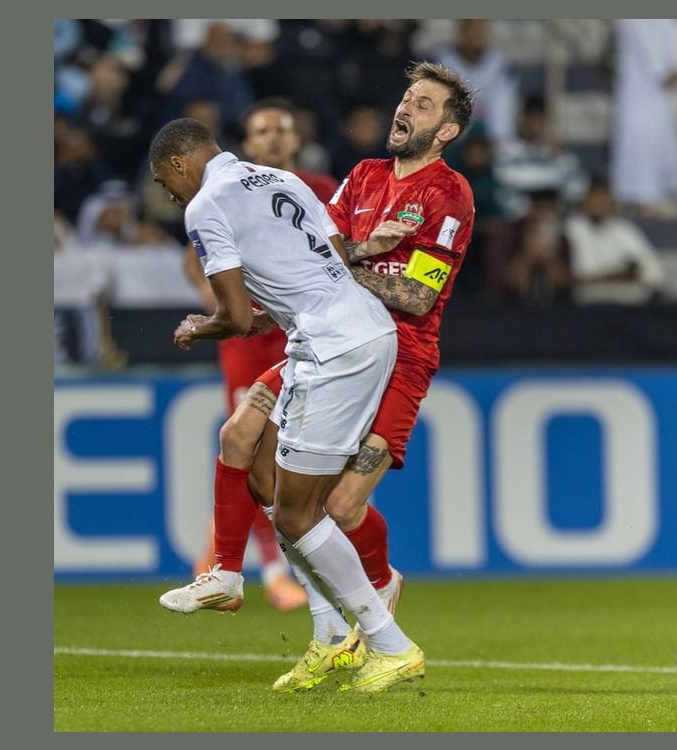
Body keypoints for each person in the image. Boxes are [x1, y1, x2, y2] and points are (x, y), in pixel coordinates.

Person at [162, 62, 475, 692]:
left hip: (399, 355)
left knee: (337, 506)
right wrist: (339, 265)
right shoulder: (362, 177)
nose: (405, 108)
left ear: (446, 130)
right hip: (325, 337)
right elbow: (322, 256)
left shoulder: (449, 195)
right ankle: (325, 630)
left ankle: (379, 589)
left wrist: (336, 269)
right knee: (245, 442)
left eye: (423, 104)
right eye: (406, 96)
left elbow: (415, 295)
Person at [180, 98, 339, 613]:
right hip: (250, 344)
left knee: (295, 456)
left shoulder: (317, 187)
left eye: (281, 130)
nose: (272, 138)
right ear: (247, 143)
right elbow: (194, 257)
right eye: (262, 131)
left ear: (295, 139)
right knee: (252, 447)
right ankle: (272, 574)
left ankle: (218, 560)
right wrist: (222, 305)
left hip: (308, 335)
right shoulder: (227, 190)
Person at [610, 18, 677, 218]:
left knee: (663, 139)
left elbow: (675, 38)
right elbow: (640, 39)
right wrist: (661, 71)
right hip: (640, 86)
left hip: (664, 94)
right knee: (641, 137)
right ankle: (643, 198)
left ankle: (664, 194)